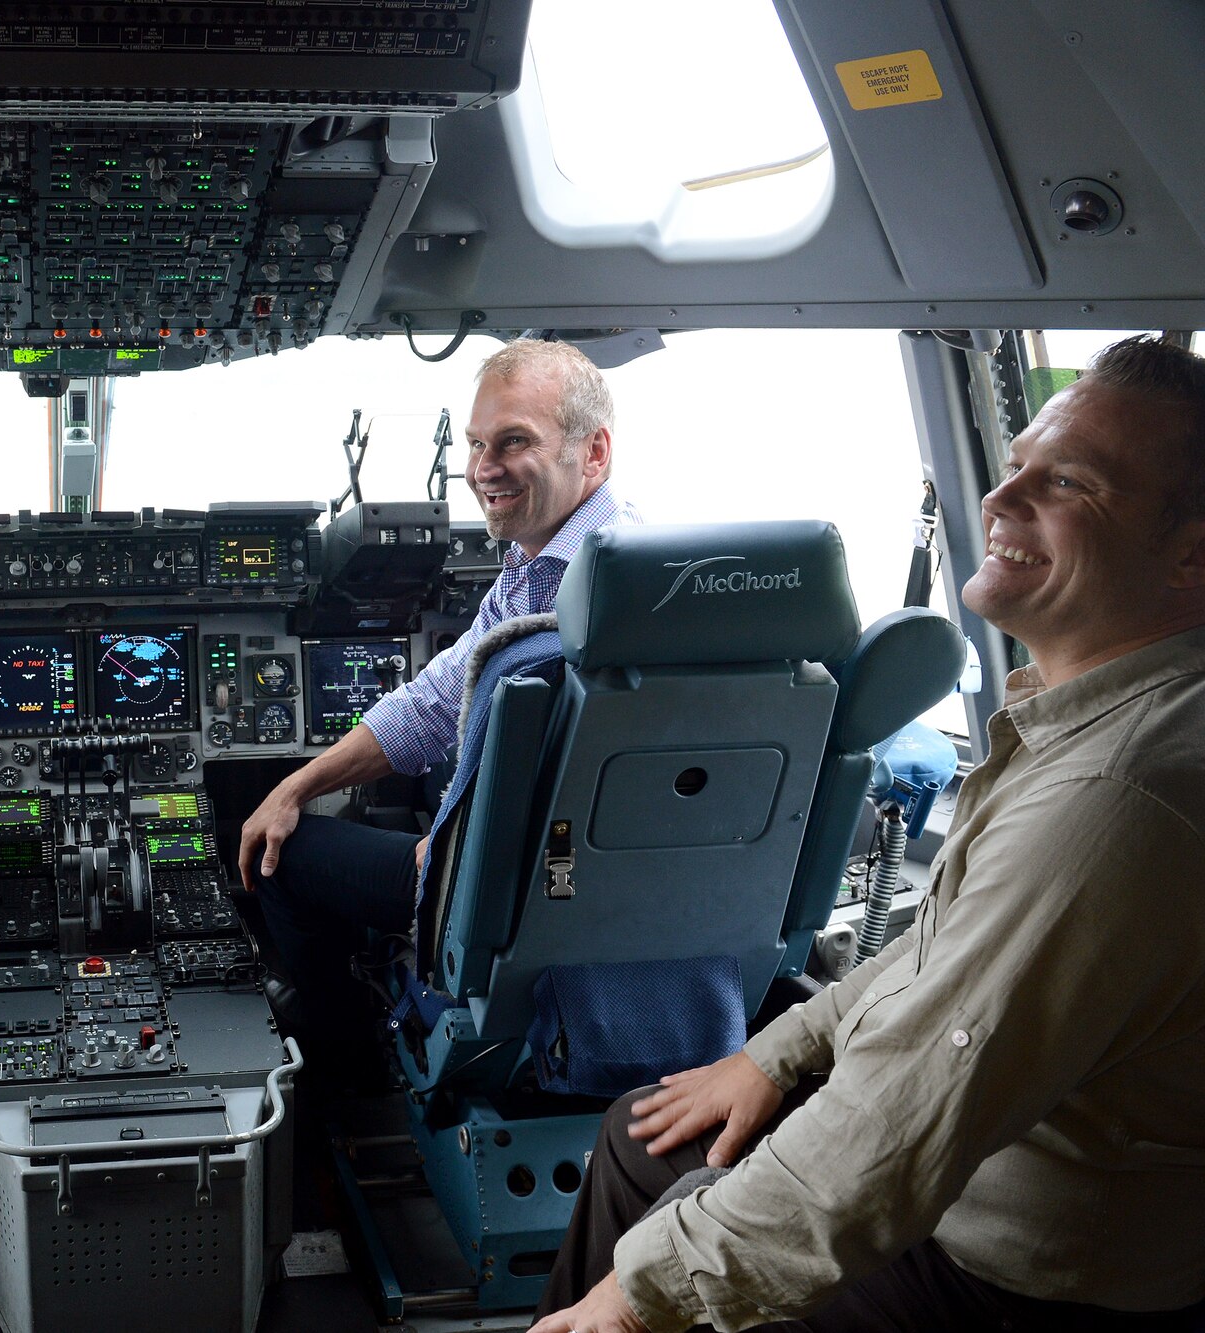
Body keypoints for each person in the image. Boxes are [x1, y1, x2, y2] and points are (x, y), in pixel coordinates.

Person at [534, 335, 1205, 1333]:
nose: (1000, 498)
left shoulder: (1110, 797)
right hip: (1000, 1182)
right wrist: (773, 1053)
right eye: (1014, 464)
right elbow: (940, 952)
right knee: (645, 1135)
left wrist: (628, 1302)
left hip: (1027, 1274)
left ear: (1191, 553)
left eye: (1068, 482)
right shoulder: (1102, 722)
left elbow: (897, 1118)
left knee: (680, 1222)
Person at [237, 339, 639, 1070]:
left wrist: (451, 847)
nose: (484, 468)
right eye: (477, 444)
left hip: (517, 886)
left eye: (514, 441)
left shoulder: (582, 597)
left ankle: (346, 1055)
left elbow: (561, 778)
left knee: (281, 855)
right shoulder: (608, 565)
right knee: (419, 784)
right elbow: (432, 704)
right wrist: (299, 785)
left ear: (594, 452)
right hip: (608, 882)